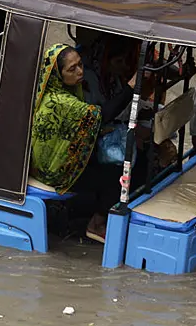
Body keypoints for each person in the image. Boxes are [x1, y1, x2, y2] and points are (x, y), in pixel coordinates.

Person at [30, 44, 136, 242]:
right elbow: (99, 115)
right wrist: (131, 87)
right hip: (51, 169)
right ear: (57, 74)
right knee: (118, 176)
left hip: (59, 158)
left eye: (80, 65)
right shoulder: (59, 101)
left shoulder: (70, 91)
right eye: (72, 69)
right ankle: (96, 224)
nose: (80, 72)